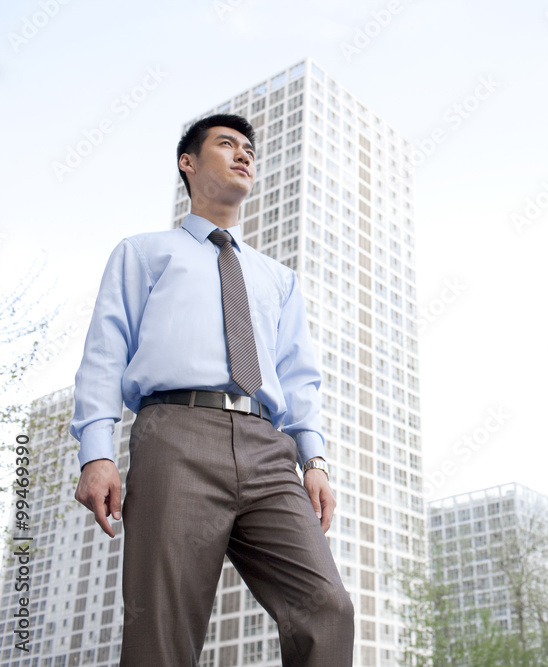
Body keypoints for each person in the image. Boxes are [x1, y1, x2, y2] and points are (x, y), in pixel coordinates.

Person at [70, 114, 354, 666]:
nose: (245, 154)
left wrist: (313, 459)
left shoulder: (278, 278)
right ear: (189, 163)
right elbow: (104, 354)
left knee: (327, 606)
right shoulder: (143, 253)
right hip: (176, 435)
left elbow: (299, 375)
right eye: (227, 145)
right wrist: (96, 453)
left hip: (268, 448)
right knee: (161, 626)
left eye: (250, 148)